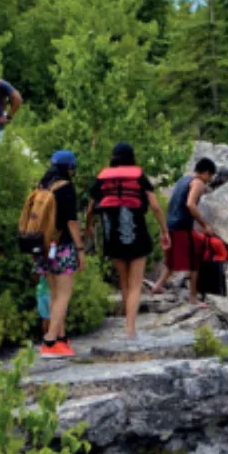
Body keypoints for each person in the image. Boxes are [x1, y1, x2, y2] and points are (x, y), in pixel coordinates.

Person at [86, 142, 170, 339]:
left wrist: (88, 227)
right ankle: (130, 329)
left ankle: (128, 323)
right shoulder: (139, 176)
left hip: (111, 235)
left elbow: (90, 208)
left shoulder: (102, 177)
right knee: (135, 283)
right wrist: (164, 230)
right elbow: (156, 207)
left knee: (124, 282)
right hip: (135, 232)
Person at [34, 150, 84, 358]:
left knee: (54, 294)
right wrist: (80, 249)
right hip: (62, 247)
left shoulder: (42, 186)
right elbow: (71, 222)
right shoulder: (65, 187)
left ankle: (61, 340)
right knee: (64, 295)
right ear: (69, 168)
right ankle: (50, 341)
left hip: (43, 248)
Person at [152, 158, 217, 304]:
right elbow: (190, 204)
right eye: (210, 176)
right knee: (195, 260)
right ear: (206, 173)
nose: (209, 180)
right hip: (182, 226)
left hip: (171, 224)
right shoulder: (198, 183)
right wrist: (204, 225)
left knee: (172, 261)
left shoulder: (184, 180)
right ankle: (193, 297)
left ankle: (157, 286)